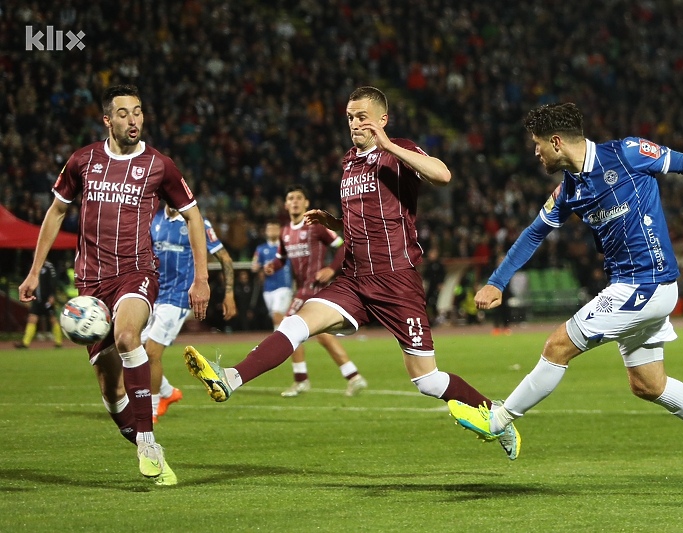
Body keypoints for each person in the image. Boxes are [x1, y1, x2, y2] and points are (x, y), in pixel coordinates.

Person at [182, 86, 518, 458]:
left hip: (396, 281)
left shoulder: (398, 151)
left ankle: (497, 416)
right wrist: (336, 223)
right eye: (350, 118)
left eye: (362, 117)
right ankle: (230, 378)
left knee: (427, 380)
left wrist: (388, 145)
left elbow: (443, 175)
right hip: (354, 280)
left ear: (382, 119)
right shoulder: (349, 163)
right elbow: (368, 221)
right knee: (296, 323)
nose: (355, 124)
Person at [447, 102, 683, 491]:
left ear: (557, 142)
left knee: (558, 345)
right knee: (647, 384)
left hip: (646, 283)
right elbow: (534, 233)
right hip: (635, 286)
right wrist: (497, 282)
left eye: (538, 145)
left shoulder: (626, 153)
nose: (535, 152)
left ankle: (498, 421)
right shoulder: (569, 190)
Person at [18, 84, 210, 486]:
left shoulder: (160, 165)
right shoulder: (83, 161)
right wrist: (35, 270)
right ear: (107, 120)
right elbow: (55, 213)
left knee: (127, 336)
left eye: (138, 112)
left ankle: (148, 440)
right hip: (90, 284)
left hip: (136, 273)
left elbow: (194, 217)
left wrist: (202, 278)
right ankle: (140, 440)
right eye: (123, 113)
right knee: (110, 390)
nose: (133, 119)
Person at [261, 185, 367, 397]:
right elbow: (282, 258)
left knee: (288, 326)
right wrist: (273, 265)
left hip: (314, 287)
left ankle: (301, 380)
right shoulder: (285, 232)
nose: (295, 201)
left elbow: (343, 245)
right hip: (302, 288)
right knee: (322, 334)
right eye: (290, 198)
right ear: (285, 204)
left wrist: (331, 268)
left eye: (299, 198)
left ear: (307, 203)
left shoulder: (316, 226)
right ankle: (353, 376)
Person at [141, 204, 237, 423]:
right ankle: (167, 392)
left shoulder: (197, 222)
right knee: (128, 348)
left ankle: (152, 409)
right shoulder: (153, 218)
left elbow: (225, 257)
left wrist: (229, 293)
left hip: (178, 298)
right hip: (153, 294)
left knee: (152, 353)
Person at [251, 220, 293, 332]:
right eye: (270, 229)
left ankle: (279, 343)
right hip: (268, 288)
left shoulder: (286, 247)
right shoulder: (260, 249)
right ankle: (289, 340)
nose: (272, 231)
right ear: (265, 231)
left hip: (283, 286)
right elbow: (254, 266)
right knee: (279, 318)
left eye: (275, 229)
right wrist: (259, 267)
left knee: (276, 315)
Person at [15, 259, 63, 349]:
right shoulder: (33, 267)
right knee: (32, 319)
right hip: (37, 300)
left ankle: (58, 342)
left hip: (47, 299)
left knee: (53, 319)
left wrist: (52, 295)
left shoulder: (49, 266)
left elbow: (54, 282)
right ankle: (25, 343)